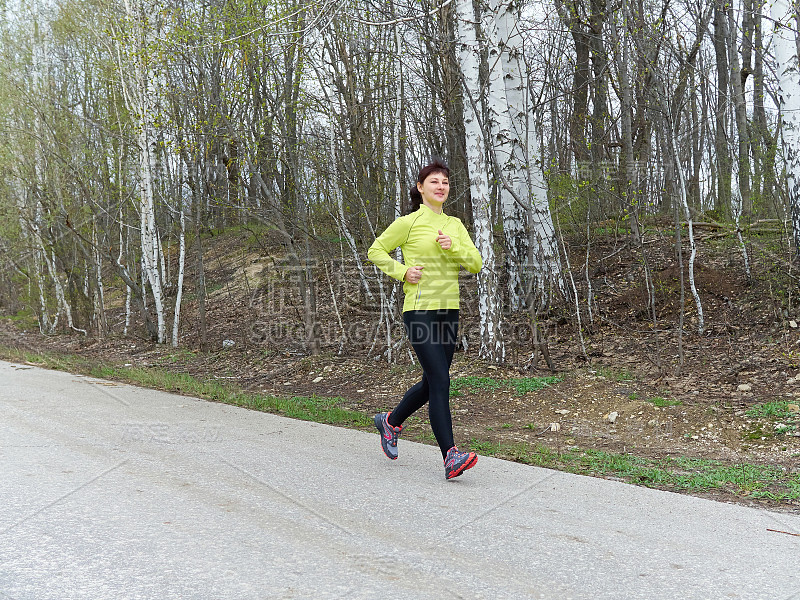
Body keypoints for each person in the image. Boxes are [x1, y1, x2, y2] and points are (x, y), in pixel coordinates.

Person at [367, 159, 483, 480]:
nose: (441, 186)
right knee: (441, 381)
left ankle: (390, 422)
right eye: (434, 181)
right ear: (421, 188)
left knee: (433, 381)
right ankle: (451, 456)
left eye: (445, 181)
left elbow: (475, 264)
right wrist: (403, 271)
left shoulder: (456, 226)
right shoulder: (408, 223)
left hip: (449, 312)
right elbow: (375, 251)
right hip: (419, 310)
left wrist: (454, 246)